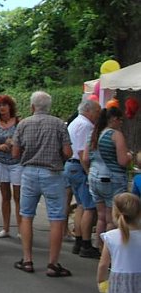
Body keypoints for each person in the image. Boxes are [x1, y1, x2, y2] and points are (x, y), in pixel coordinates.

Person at [12, 90, 72, 277]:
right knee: (56, 218)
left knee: (27, 215)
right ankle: (53, 263)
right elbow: (68, 152)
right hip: (53, 173)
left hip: (29, 173)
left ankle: (27, 259)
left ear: (32, 106)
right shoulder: (59, 125)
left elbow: (15, 153)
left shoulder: (23, 124)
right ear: (49, 107)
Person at [84, 106, 133, 240]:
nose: (121, 123)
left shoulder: (93, 134)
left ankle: (99, 247)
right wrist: (129, 156)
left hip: (94, 177)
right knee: (112, 218)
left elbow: (86, 158)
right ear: (113, 119)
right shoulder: (115, 135)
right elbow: (122, 161)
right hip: (112, 179)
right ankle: (109, 251)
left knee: (100, 217)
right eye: (120, 120)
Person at [97, 193, 141, 293]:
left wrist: (101, 281)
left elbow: (103, 264)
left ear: (115, 213)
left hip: (118, 283)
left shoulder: (111, 236)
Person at [64, 98, 101, 257]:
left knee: (80, 204)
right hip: (79, 166)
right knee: (89, 207)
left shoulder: (75, 123)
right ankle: (86, 243)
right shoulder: (86, 126)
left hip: (71, 166)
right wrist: (89, 172)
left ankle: (79, 240)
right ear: (89, 111)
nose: (99, 115)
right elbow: (82, 152)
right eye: (97, 112)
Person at [0, 94, 23, 239]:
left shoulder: (19, 122)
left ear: (10, 106)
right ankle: (5, 228)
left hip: (17, 162)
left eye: (4, 105)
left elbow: (26, 141)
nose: (2, 108)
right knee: (5, 196)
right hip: (1, 162)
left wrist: (16, 143)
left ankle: (21, 229)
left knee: (18, 196)